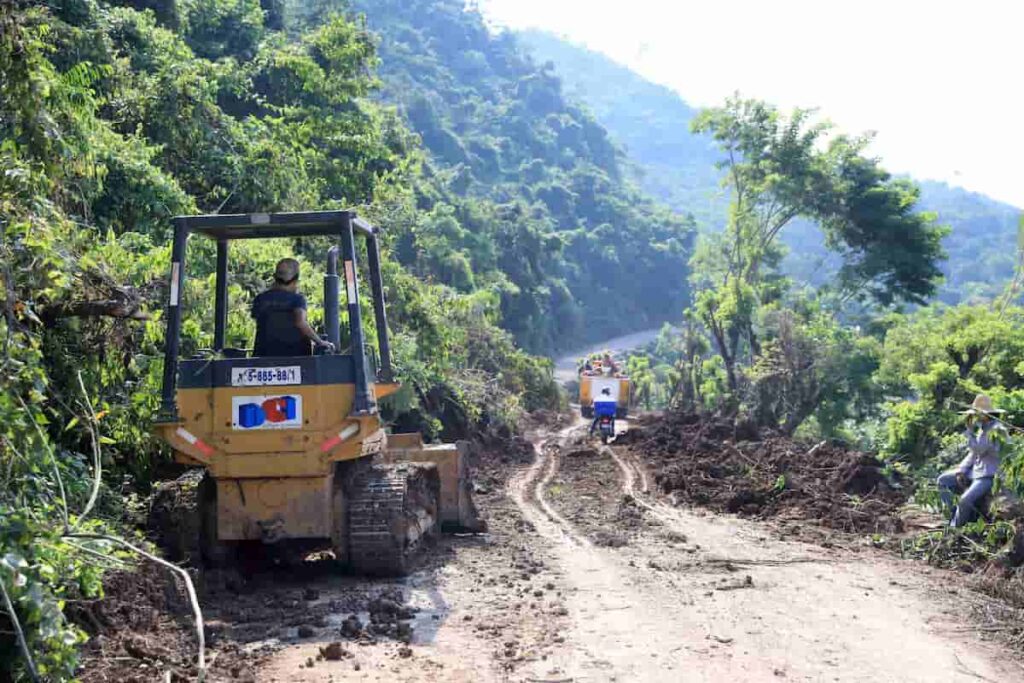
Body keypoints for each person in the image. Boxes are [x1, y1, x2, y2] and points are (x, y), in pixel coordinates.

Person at [937, 394, 1006, 527]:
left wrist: (969, 431)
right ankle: (953, 515)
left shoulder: (997, 429)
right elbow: (972, 454)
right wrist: (961, 470)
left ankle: (955, 527)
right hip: (976, 471)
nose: (974, 417)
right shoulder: (983, 428)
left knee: (965, 500)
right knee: (943, 480)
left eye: (977, 414)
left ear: (986, 414)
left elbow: (979, 449)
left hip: (988, 475)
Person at [251, 258, 335, 357]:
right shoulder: (297, 300)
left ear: (275, 277)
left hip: (264, 356)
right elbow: (300, 322)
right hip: (296, 357)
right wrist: (320, 342)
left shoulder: (260, 299)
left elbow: (257, 317)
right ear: (295, 279)